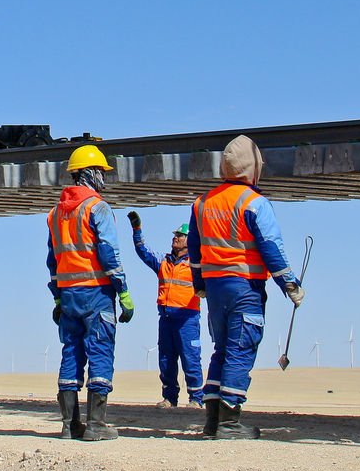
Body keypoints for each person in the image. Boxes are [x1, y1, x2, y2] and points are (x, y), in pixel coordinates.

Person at [190, 135, 302, 439]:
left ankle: (212, 421)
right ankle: (229, 423)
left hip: (214, 289)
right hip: (244, 287)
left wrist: (200, 284)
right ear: (253, 168)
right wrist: (290, 284)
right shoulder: (255, 202)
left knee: (222, 350)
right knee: (241, 349)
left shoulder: (201, 203)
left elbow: (195, 249)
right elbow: (271, 247)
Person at [47, 144, 134, 441]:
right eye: (101, 172)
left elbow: (53, 259)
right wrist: (123, 291)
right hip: (96, 293)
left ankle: (68, 426)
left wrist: (57, 297)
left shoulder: (56, 213)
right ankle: (96, 425)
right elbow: (109, 253)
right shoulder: (98, 207)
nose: (103, 178)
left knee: (70, 353)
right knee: (100, 353)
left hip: (69, 295)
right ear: (89, 173)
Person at [129, 215, 203, 408]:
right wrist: (137, 230)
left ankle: (196, 398)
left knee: (191, 359)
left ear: (190, 239)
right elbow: (143, 252)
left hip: (188, 319)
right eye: (175, 235)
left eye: (180, 235)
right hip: (166, 319)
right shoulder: (164, 262)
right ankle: (170, 397)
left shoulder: (197, 264)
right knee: (166, 360)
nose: (175, 238)